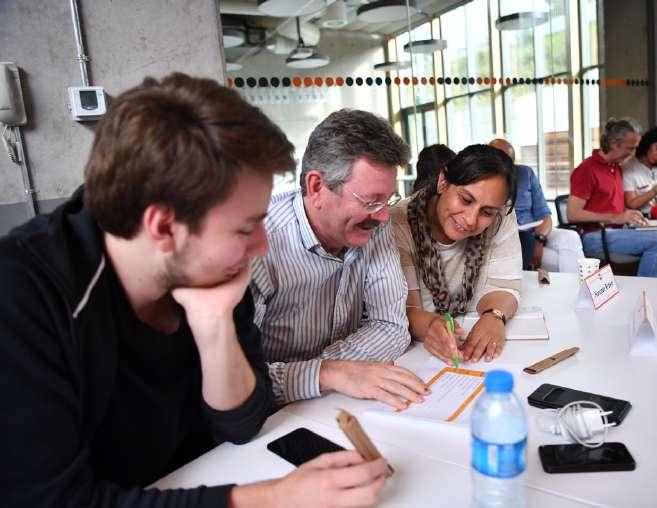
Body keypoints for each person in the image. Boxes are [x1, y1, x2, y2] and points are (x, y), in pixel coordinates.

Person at [0, 74, 390, 508]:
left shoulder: (212, 265)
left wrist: (214, 325)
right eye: (245, 228)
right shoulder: (22, 293)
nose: (262, 244)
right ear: (164, 227)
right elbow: (54, 501)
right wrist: (275, 498)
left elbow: (242, 424)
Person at [250, 109, 428, 411]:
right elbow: (244, 386)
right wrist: (330, 374)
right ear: (317, 187)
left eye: (388, 200)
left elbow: (392, 327)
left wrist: (330, 372)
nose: (384, 216)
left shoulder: (374, 223)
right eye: (371, 201)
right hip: (271, 420)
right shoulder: (258, 245)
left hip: (335, 403)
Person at [390, 144, 522, 365]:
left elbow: (506, 286)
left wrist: (494, 316)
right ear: (443, 181)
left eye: (486, 212)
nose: (470, 219)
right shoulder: (398, 223)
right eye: (466, 200)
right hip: (417, 357)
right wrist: (431, 327)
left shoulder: (501, 216)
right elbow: (405, 310)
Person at [568, 117, 657, 277]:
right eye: (630, 148)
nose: (634, 153)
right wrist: (616, 217)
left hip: (618, 232)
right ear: (614, 143)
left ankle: (646, 292)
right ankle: (645, 292)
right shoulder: (587, 170)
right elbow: (573, 214)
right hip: (594, 237)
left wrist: (630, 216)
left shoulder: (615, 167)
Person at [489, 138, 583, 272]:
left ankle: (579, 286)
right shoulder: (484, 181)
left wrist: (539, 241)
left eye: (507, 160)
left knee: (570, 237)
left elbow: (545, 216)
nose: (502, 164)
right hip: (510, 238)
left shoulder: (525, 174)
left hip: (536, 234)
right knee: (560, 260)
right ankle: (575, 286)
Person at [623, 126, 657, 216]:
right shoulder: (629, 169)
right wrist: (654, 191)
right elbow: (631, 204)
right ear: (647, 144)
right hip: (641, 220)